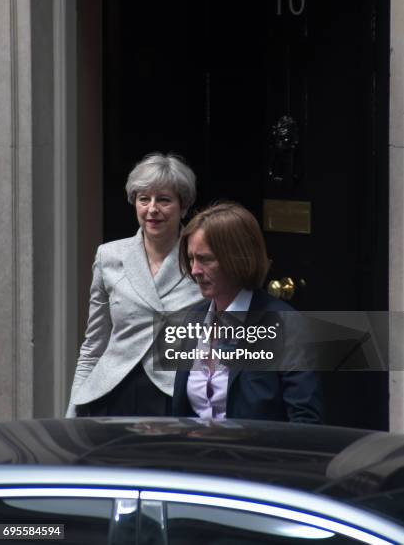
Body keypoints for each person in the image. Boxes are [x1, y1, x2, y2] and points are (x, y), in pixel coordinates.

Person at [66, 153, 202, 417]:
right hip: (110, 393)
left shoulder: (202, 258)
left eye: (164, 199)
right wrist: (73, 408)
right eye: (144, 199)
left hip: (174, 395)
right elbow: (94, 343)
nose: (152, 209)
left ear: (183, 206)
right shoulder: (109, 256)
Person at [172, 202, 324, 423]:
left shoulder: (286, 324)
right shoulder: (194, 318)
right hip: (196, 454)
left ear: (238, 258)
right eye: (192, 258)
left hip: (256, 455)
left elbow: (306, 419)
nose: (195, 270)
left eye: (205, 259)